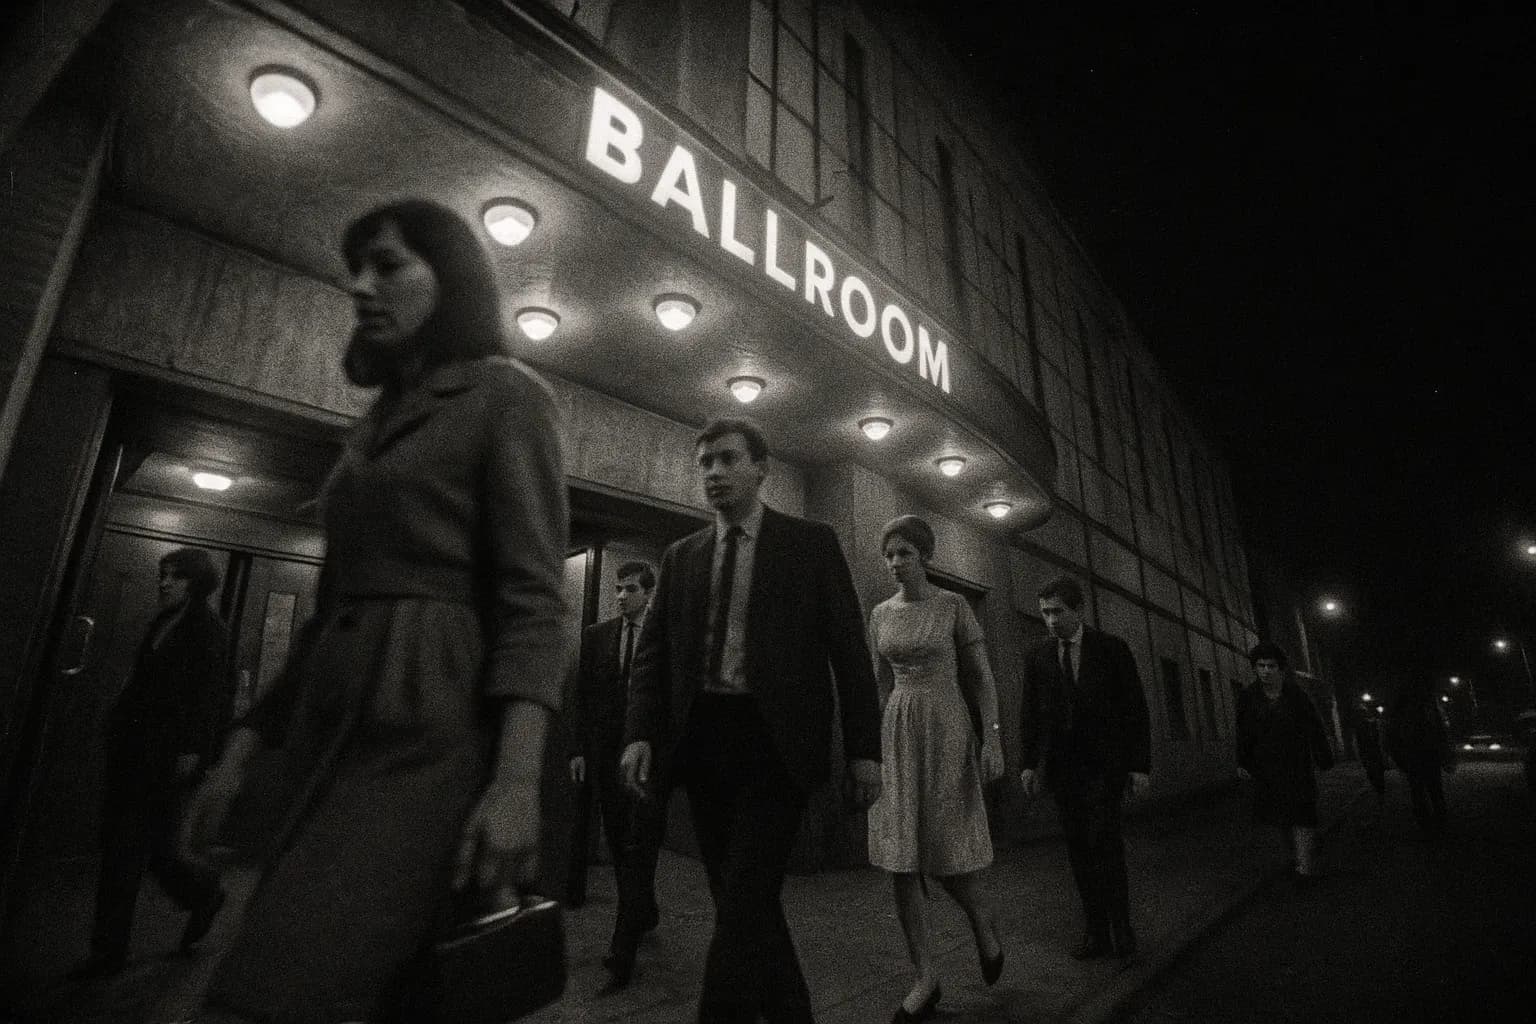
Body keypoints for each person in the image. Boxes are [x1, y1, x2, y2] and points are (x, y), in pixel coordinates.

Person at [177, 199, 569, 1022]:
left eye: (388, 265)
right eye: (355, 269)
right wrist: (241, 750)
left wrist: (516, 783)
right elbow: (327, 612)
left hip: (428, 724)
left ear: (449, 278)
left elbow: (534, 601)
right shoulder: (373, 424)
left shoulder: (507, 395)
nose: (361, 285)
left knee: (282, 985)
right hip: (328, 727)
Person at [620, 417, 882, 1024]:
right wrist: (638, 734)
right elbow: (653, 655)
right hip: (704, 741)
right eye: (705, 462)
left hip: (776, 746)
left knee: (743, 899)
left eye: (727, 459)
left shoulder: (809, 544)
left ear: (761, 468)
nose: (713, 472)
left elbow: (849, 647)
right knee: (742, 899)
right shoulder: (682, 556)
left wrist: (865, 750)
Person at [867, 515, 1005, 1023]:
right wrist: (873, 749)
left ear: (925, 556)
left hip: (946, 726)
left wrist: (993, 737)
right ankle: (925, 977)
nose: (895, 562)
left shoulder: (953, 606)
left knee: (945, 855)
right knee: (901, 860)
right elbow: (880, 683)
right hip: (897, 731)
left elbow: (981, 678)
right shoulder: (881, 614)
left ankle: (982, 924)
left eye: (904, 553)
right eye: (889, 554)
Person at [70, 547, 232, 980]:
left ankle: (110, 953)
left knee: (136, 849)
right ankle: (201, 897)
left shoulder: (208, 631)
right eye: (164, 574)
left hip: (166, 754)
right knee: (145, 849)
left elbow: (210, 696)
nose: (164, 582)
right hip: (136, 749)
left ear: (196, 584)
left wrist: (194, 750)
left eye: (176, 576)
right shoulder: (162, 622)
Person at [1019, 575, 1151, 960]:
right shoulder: (1038, 656)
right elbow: (1030, 713)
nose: (1051, 620)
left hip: (1105, 767)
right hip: (1064, 771)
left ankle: (1122, 929)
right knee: (1079, 851)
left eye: (1058, 611)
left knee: (1105, 844)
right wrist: (1029, 764)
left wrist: (1139, 766)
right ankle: (1096, 932)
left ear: (1078, 609)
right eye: (1045, 613)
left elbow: (1135, 709)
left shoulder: (1111, 650)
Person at [566, 560, 665, 985]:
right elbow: (583, 696)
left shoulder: (664, 634)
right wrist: (577, 749)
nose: (621, 596)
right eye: (618, 589)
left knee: (641, 842)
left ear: (649, 593)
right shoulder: (598, 635)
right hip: (606, 757)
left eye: (631, 589)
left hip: (648, 758)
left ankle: (624, 943)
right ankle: (644, 909)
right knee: (621, 839)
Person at [1235, 642, 1334, 883]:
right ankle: (1294, 858)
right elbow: (1243, 731)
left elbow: (1314, 726)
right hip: (1267, 766)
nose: (1266, 671)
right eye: (1261, 666)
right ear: (1255, 668)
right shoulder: (1248, 697)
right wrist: (1243, 761)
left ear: (1280, 668)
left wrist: (1322, 755)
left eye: (1271, 666)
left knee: (1303, 814)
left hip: (1296, 763)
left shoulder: (1296, 695)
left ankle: (1304, 867)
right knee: (1279, 816)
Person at [1384, 676, 1454, 838]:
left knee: (1421, 791)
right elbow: (1440, 729)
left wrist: (1396, 755)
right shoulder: (1426, 704)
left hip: (1416, 755)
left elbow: (1392, 733)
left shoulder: (1403, 707)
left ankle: (1429, 825)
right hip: (1423, 754)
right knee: (1432, 790)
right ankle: (1438, 824)